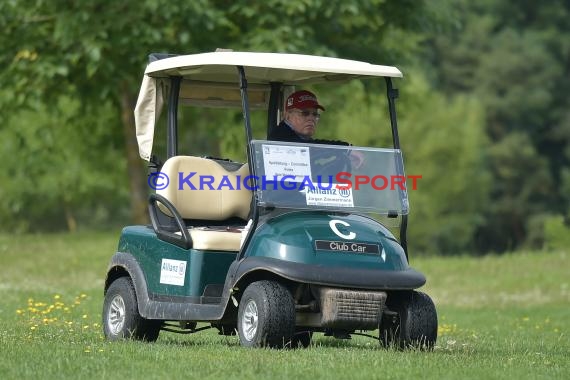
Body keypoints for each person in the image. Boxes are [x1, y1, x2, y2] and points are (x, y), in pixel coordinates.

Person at [268, 90, 364, 169]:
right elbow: (307, 147)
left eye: (315, 114)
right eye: (305, 113)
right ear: (288, 116)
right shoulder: (280, 137)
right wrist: (346, 149)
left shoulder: (301, 138)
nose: (311, 118)